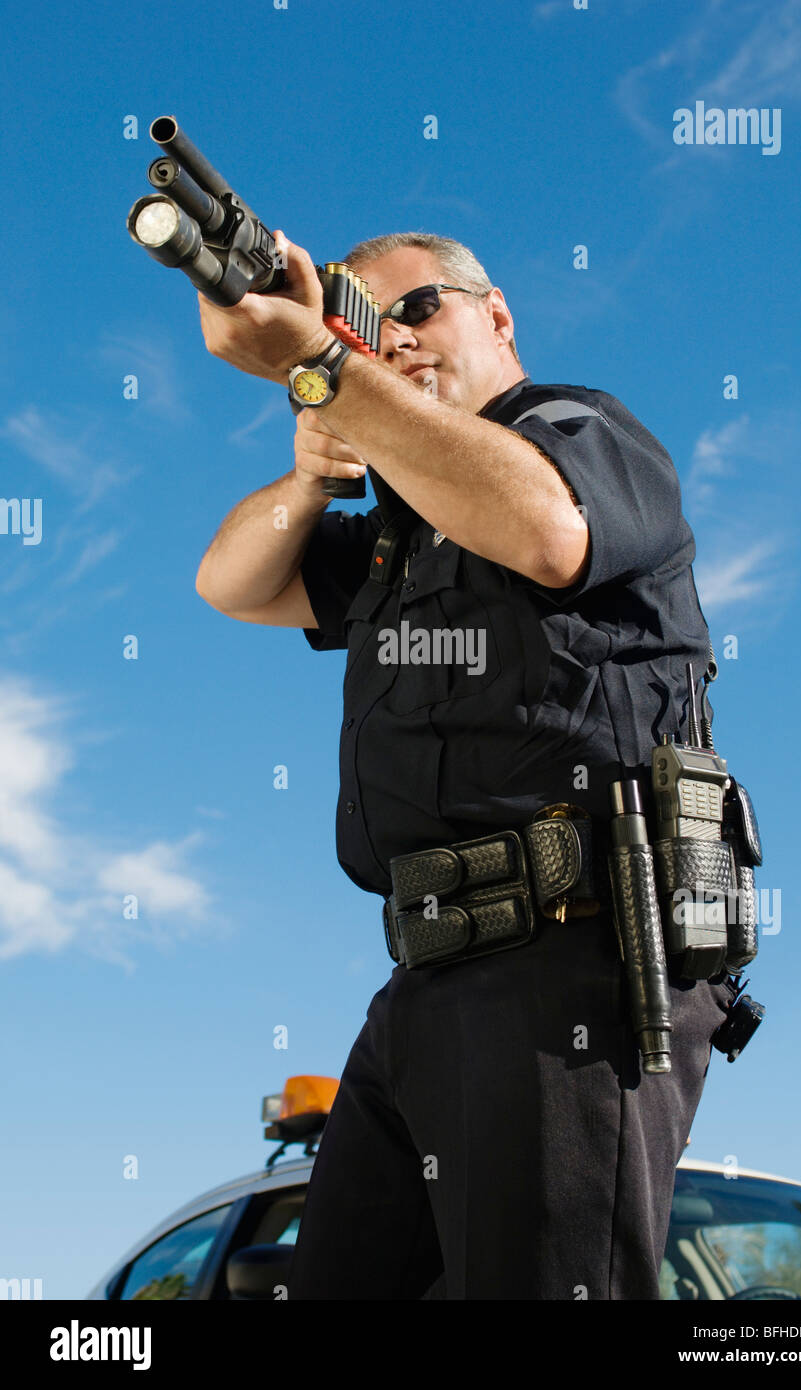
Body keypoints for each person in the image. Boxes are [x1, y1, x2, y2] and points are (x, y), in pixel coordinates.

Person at [194, 230, 737, 1300]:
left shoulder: (577, 431)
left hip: (572, 962)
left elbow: (542, 530)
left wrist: (320, 366)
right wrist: (310, 471)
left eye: (419, 309)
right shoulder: (407, 522)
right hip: (426, 977)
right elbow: (234, 583)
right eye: (366, 323)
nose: (392, 340)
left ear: (497, 315)